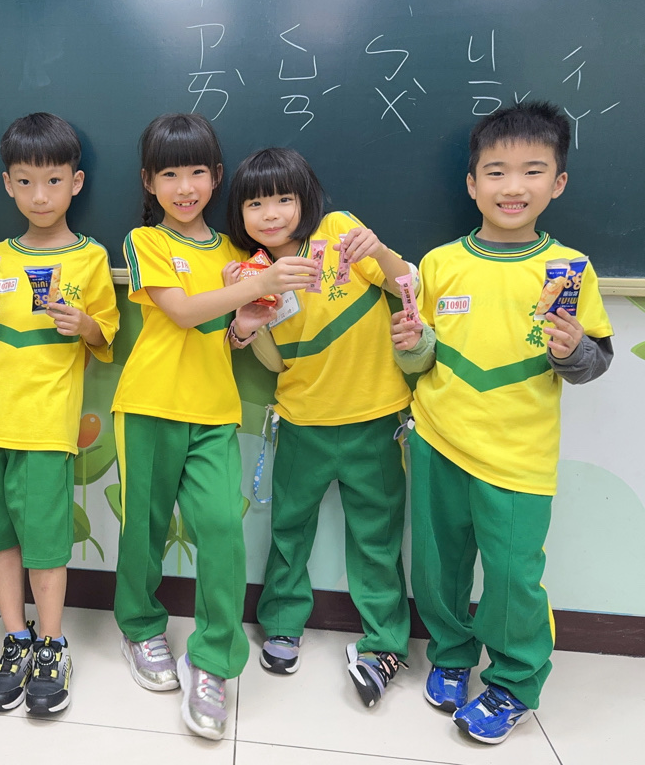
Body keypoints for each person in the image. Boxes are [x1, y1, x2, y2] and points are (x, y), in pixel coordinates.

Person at [391, 100, 614, 744]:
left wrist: (572, 350)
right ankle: (451, 655)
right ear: (472, 184)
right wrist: (411, 343)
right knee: (438, 567)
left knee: (514, 578)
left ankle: (515, 681)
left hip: (519, 454)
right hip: (437, 440)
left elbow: (595, 360)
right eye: (495, 172)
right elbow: (419, 358)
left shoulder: (569, 269)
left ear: (558, 182)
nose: (512, 186)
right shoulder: (439, 264)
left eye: (532, 171)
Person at [111, 113, 312, 740]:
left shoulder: (237, 253)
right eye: (169, 174)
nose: (185, 187)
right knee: (143, 527)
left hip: (215, 411)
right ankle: (140, 628)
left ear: (217, 176)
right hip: (148, 405)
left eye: (197, 171)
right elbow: (181, 312)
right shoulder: (145, 242)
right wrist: (255, 285)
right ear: (149, 182)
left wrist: (248, 320)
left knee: (222, 528)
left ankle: (214, 662)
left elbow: (227, 333)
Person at [226, 147, 416, 707]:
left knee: (377, 538)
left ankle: (385, 644)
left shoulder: (339, 231)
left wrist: (378, 250)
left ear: (306, 200)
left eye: (284, 199)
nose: (271, 214)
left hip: (375, 419)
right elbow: (272, 363)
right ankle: (282, 623)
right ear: (240, 214)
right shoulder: (252, 270)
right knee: (289, 529)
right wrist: (245, 324)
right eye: (255, 204)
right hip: (302, 421)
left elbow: (409, 286)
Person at [0, 112, 119, 716]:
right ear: (8, 185)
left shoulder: (90, 257)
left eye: (52, 182)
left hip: (46, 425)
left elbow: (106, 336)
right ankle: (16, 637)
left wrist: (84, 323)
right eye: (25, 182)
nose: (39, 196)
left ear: (76, 183)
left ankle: (52, 643)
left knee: (45, 542)